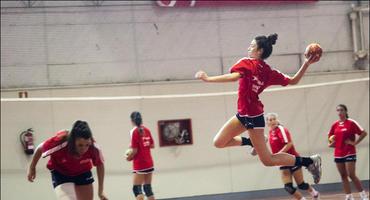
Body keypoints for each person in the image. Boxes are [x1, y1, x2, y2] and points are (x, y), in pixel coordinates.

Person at [195, 33, 322, 183]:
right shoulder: (265, 70)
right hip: (242, 114)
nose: (249, 48)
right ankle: (252, 141)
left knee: (268, 160)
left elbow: (234, 77)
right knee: (219, 142)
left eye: (252, 45)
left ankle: (309, 162)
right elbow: (293, 80)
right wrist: (306, 63)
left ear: (260, 50)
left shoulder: (257, 67)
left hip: (255, 117)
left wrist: (208, 79)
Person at [27, 120, 108, 200]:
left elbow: (100, 165)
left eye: (87, 145)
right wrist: (32, 167)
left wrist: (100, 191)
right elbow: (40, 148)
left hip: (83, 173)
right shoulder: (60, 141)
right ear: (72, 141)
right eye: (80, 145)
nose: (84, 149)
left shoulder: (93, 147)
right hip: (61, 173)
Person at [267, 113, 320, 200]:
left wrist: (278, 155)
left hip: (292, 160)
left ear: (277, 120)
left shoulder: (281, 129)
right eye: (270, 120)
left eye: (274, 119)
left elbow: (289, 143)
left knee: (301, 185)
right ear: (267, 123)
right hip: (282, 163)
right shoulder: (270, 132)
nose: (272, 121)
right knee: (288, 188)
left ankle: (314, 193)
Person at [328, 104, 368, 200]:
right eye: (338, 110)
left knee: (351, 174)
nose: (339, 112)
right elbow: (331, 138)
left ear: (346, 111)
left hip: (349, 151)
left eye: (341, 110)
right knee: (343, 175)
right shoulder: (335, 125)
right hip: (338, 153)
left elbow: (364, 133)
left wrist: (354, 143)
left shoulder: (351, 122)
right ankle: (349, 196)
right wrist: (332, 144)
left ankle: (363, 195)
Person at [126, 112, 155, 200]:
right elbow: (152, 145)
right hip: (149, 163)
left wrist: (129, 157)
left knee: (137, 189)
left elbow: (135, 151)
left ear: (132, 121)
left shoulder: (134, 132)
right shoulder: (147, 130)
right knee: (148, 189)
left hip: (140, 164)